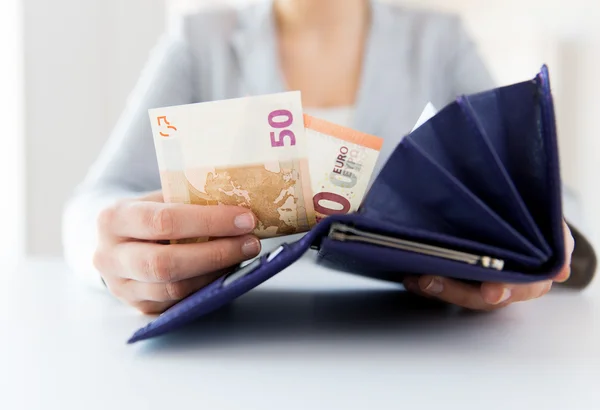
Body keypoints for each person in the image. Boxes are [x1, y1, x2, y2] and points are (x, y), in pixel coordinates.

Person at [62, 0, 578, 315]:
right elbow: (94, 204)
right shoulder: (199, 43)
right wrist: (113, 256)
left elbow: (555, 199)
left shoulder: (440, 43)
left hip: (417, 345)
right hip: (242, 348)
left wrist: (540, 246)